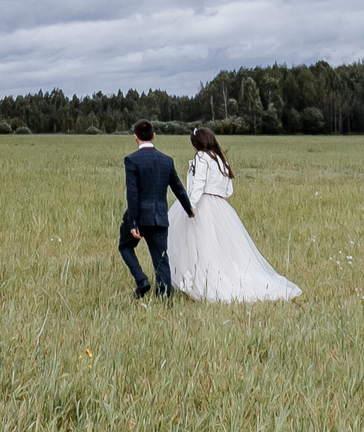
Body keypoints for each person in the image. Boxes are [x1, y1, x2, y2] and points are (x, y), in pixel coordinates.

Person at [164, 126, 301, 303]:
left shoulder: (201, 157)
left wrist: (190, 207)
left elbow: (198, 186)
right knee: (222, 248)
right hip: (221, 207)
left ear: (197, 144)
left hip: (202, 204)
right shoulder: (221, 161)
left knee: (197, 245)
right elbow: (228, 190)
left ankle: (200, 282)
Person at [117, 120, 193, 300]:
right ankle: (164, 294)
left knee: (125, 246)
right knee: (161, 258)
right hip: (159, 216)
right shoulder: (166, 160)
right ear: (154, 136)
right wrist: (189, 209)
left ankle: (142, 280)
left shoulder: (131, 160)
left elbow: (133, 193)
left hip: (139, 216)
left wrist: (133, 222)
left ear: (135, 137)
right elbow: (178, 188)